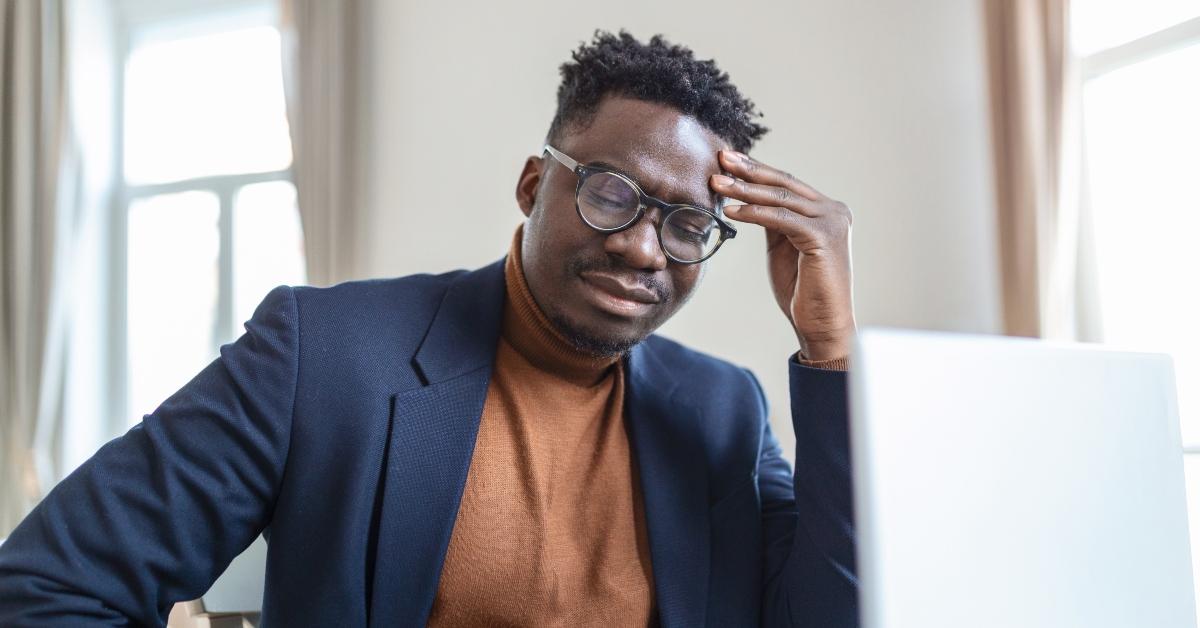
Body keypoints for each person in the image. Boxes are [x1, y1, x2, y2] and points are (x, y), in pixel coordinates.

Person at [0, 30, 858, 627]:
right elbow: (49, 589)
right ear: (533, 186)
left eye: (684, 226)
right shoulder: (322, 353)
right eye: (609, 193)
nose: (642, 246)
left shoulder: (723, 410)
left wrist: (830, 354)